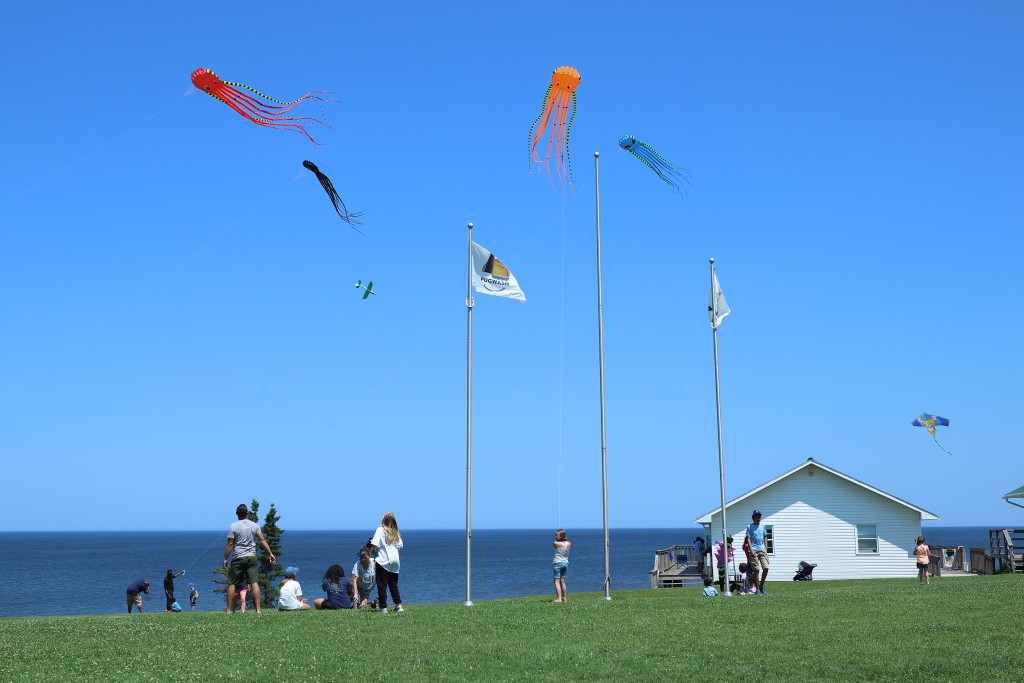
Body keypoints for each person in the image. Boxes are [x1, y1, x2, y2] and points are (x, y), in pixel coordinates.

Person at [223, 502, 277, 614]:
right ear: (247, 513)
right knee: (254, 582)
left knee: (232, 583)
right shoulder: (255, 525)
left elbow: (230, 544)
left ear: (237, 513)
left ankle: (228, 610)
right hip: (251, 557)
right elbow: (262, 540)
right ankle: (258, 610)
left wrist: (225, 559)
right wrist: (270, 553)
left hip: (238, 557)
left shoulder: (233, 526)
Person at [370, 511, 404, 613]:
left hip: (383, 561)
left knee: (382, 585)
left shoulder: (380, 530)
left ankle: (383, 608)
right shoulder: (395, 532)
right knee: (393, 584)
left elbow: (375, 545)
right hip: (395, 562)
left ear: (383, 520)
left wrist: (370, 551)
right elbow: (400, 546)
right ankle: (398, 606)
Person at [745, 509, 770, 595]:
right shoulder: (749, 527)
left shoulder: (763, 526)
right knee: (756, 570)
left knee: (766, 568)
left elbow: (765, 537)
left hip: (762, 549)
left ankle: (761, 586)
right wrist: (751, 550)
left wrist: (766, 548)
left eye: (759, 517)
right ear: (753, 518)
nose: (758, 519)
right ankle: (757, 590)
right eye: (756, 517)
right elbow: (748, 538)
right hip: (753, 550)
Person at [552, 529, 571, 603]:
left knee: (556, 581)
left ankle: (559, 598)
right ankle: (564, 598)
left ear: (561, 536)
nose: (555, 536)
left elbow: (555, 543)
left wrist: (560, 539)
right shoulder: (569, 543)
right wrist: (564, 537)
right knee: (562, 580)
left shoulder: (556, 543)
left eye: (556, 535)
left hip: (558, 563)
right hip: (565, 563)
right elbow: (566, 541)